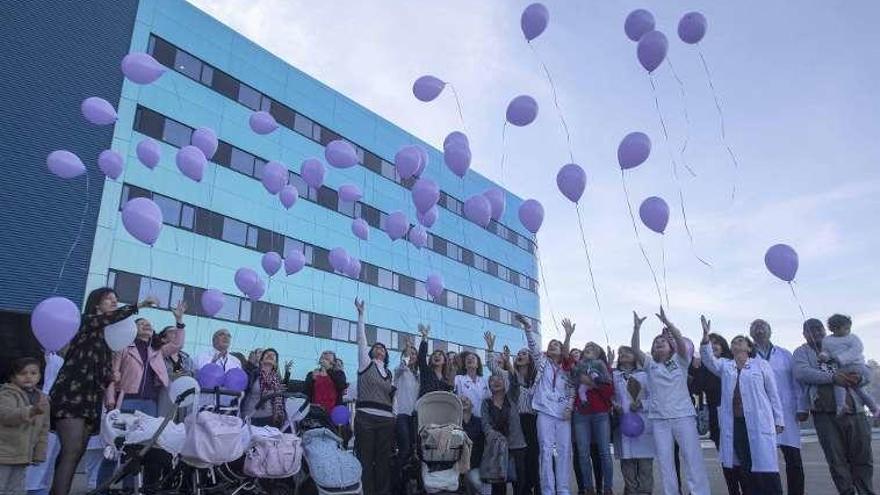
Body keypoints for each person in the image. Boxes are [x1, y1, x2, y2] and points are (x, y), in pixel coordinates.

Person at [49, 288, 156, 495]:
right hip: (71, 393)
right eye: (109, 299)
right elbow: (111, 317)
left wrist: (111, 375)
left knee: (76, 451)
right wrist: (139, 305)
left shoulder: (107, 337)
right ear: (96, 304)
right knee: (71, 450)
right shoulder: (86, 321)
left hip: (90, 397)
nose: (114, 302)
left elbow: (100, 369)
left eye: (116, 299)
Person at [700, 316, 785, 494]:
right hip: (736, 423)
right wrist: (706, 337)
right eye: (733, 342)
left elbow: (773, 393)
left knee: (765, 464)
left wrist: (779, 419)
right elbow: (708, 359)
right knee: (746, 464)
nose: (736, 344)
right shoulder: (725, 365)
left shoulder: (760, 365)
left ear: (748, 347)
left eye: (740, 341)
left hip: (759, 421)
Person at [632, 308, 710, 495]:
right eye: (656, 342)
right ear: (652, 350)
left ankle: (700, 492)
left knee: (692, 458)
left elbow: (680, 340)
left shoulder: (680, 360)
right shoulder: (650, 365)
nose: (659, 343)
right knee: (666, 463)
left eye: (663, 341)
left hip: (683, 417)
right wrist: (636, 329)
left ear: (671, 347)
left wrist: (667, 322)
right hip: (660, 420)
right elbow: (635, 349)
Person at [793, 318, 874, 495]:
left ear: (825, 330)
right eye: (810, 330)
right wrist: (832, 378)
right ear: (804, 334)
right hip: (824, 413)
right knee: (836, 460)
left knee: (863, 457)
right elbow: (801, 373)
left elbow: (864, 369)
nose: (815, 333)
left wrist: (861, 378)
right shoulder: (801, 352)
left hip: (855, 410)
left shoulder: (839, 344)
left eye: (818, 329)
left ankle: (866, 491)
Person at [519, 313, 575, 495]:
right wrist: (528, 327)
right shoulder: (542, 362)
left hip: (563, 413)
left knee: (564, 451)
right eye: (550, 345)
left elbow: (573, 389)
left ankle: (564, 489)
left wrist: (569, 407)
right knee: (545, 451)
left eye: (556, 345)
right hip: (544, 412)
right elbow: (533, 346)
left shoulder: (568, 368)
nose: (552, 346)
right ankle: (548, 490)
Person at [750, 319, 805, 495]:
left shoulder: (784, 355)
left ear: (770, 330)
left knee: (793, 460)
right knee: (764, 460)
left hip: (787, 412)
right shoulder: (747, 357)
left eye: (763, 326)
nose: (759, 330)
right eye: (755, 327)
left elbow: (796, 382)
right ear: (750, 333)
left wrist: (801, 406)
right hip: (761, 414)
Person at [354, 298, 395, 495]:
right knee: (365, 460)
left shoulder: (390, 374)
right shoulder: (365, 363)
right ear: (371, 351)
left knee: (383, 462)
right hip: (366, 418)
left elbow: (393, 399)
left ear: (386, 354)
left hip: (387, 420)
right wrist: (361, 316)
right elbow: (361, 340)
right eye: (376, 347)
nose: (379, 348)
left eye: (383, 348)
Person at [0, 358, 50, 495]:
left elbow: (43, 429)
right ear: (13, 376)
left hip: (23, 455)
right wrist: (31, 411)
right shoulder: (7, 394)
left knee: (16, 489)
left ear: (40, 376)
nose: (28, 377)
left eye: (33, 373)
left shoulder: (42, 399)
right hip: (4, 453)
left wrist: (39, 453)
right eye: (23, 373)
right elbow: (6, 415)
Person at [570, 343, 614, 495]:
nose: (588, 349)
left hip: (601, 413)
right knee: (582, 453)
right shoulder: (578, 366)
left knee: (604, 452)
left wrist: (592, 383)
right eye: (586, 348)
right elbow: (572, 383)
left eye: (593, 348)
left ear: (598, 354)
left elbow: (609, 391)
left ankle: (608, 488)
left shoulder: (602, 366)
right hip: (581, 414)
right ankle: (589, 488)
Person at [611, 343, 653, 495]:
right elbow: (611, 396)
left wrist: (643, 404)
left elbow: (655, 398)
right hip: (624, 424)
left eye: (627, 352)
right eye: (620, 353)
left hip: (643, 424)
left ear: (635, 355)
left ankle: (645, 491)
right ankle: (631, 490)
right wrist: (614, 405)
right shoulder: (614, 376)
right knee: (627, 462)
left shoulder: (646, 374)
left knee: (645, 463)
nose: (623, 354)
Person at [822, 314, 879, 417]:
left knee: (860, 388)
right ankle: (841, 406)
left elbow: (857, 350)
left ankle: (874, 408)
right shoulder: (827, 341)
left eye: (849, 328)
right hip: (842, 369)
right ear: (835, 328)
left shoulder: (852, 338)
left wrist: (841, 358)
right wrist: (824, 356)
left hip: (857, 366)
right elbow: (826, 352)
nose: (848, 330)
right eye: (846, 328)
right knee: (839, 384)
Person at [481, 373, 527, 495]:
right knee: (498, 486)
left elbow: (515, 383)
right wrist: (497, 437)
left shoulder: (512, 397)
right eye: (492, 380)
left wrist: (508, 365)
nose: (496, 382)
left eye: (499, 379)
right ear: (489, 385)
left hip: (517, 446)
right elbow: (485, 425)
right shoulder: (486, 403)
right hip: (497, 448)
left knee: (519, 482)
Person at [393, 337, 419, 495]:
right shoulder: (400, 371)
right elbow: (403, 364)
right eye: (411, 353)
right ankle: (395, 485)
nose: (413, 355)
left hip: (414, 417)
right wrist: (408, 349)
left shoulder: (418, 375)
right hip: (401, 414)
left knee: (412, 452)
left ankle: (406, 483)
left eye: (415, 353)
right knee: (404, 449)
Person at [155, 324, 194, 419]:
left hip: (184, 399)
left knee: (181, 428)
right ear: (163, 339)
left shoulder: (187, 358)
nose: (176, 333)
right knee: (163, 427)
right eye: (172, 332)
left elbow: (192, 376)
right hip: (165, 397)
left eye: (177, 331)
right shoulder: (159, 355)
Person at [241, 348, 285, 427]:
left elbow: (279, 401)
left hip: (269, 418)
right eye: (267, 354)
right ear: (261, 360)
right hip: (250, 416)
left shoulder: (277, 379)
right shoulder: (252, 373)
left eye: (273, 355)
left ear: (276, 363)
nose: (270, 356)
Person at [417, 325, 453, 396]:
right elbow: (421, 357)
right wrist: (424, 337)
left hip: (441, 406)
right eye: (434, 354)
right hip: (425, 405)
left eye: (440, 355)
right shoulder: (426, 372)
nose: (436, 356)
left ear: (445, 361)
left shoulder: (446, 379)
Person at [461, 395, 486, 495]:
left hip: (475, 465)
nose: (464, 401)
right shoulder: (453, 423)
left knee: (477, 482)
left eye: (466, 399)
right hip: (457, 467)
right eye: (461, 400)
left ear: (472, 405)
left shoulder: (480, 422)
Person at [455, 351, 490, 419]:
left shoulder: (485, 381)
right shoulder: (458, 378)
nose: (470, 359)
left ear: (477, 365)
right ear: (465, 365)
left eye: (473, 358)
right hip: (466, 419)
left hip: (485, 420)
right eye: (467, 358)